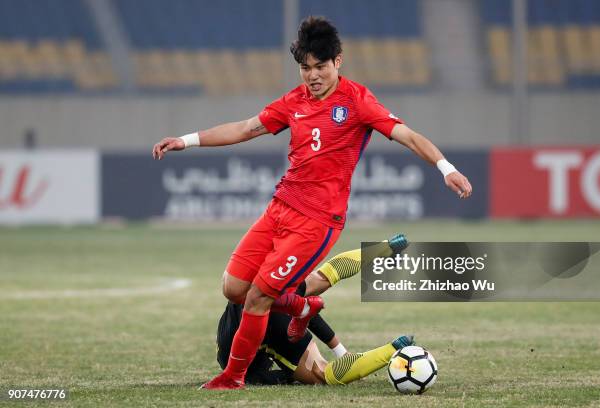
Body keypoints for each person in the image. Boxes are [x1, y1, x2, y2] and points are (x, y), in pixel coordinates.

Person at [152, 16, 472, 390]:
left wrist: (445, 167)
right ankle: (298, 306)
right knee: (233, 289)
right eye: (305, 68)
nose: (312, 75)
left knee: (257, 299)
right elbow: (245, 128)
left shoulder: (357, 100)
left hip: (316, 221)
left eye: (320, 66)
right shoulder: (294, 101)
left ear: (338, 61)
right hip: (279, 208)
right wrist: (185, 141)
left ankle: (232, 377)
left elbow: (408, 135)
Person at [215, 236, 412, 386]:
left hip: (250, 322)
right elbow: (309, 313)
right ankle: (382, 247)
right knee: (318, 279)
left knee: (321, 372)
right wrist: (339, 349)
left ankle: (392, 349)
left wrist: (339, 351)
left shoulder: (231, 355)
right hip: (267, 291)